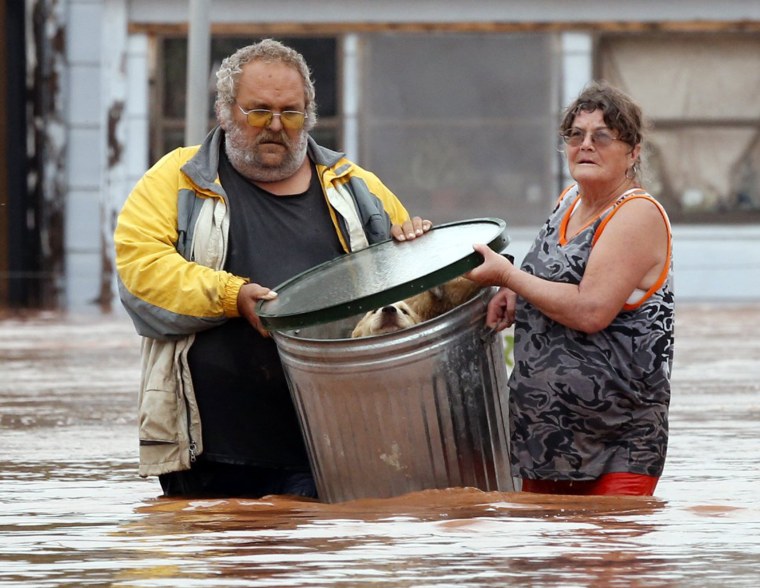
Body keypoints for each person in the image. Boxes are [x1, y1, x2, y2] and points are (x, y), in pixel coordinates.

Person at [114, 39, 430, 499]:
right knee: (210, 565)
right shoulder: (176, 180)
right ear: (225, 112)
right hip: (212, 452)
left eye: (292, 112)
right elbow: (140, 275)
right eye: (259, 111)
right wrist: (233, 298)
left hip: (335, 447)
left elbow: (413, 297)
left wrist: (429, 249)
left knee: (312, 564)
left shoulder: (355, 187)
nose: (277, 126)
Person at [466, 81, 673, 496]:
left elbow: (590, 311)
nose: (586, 146)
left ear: (633, 151)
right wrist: (515, 295)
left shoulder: (637, 214)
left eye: (602, 136)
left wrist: (508, 278)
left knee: (604, 557)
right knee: (547, 560)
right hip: (544, 439)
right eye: (576, 136)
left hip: (617, 443)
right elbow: (547, 280)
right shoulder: (567, 202)